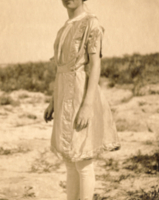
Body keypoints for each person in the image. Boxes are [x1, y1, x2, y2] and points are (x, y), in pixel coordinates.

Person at [44, 0, 120, 199]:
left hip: (81, 95)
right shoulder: (64, 29)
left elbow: (95, 66)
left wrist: (87, 105)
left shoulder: (91, 24)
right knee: (70, 160)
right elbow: (60, 69)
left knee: (83, 160)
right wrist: (53, 101)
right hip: (63, 96)